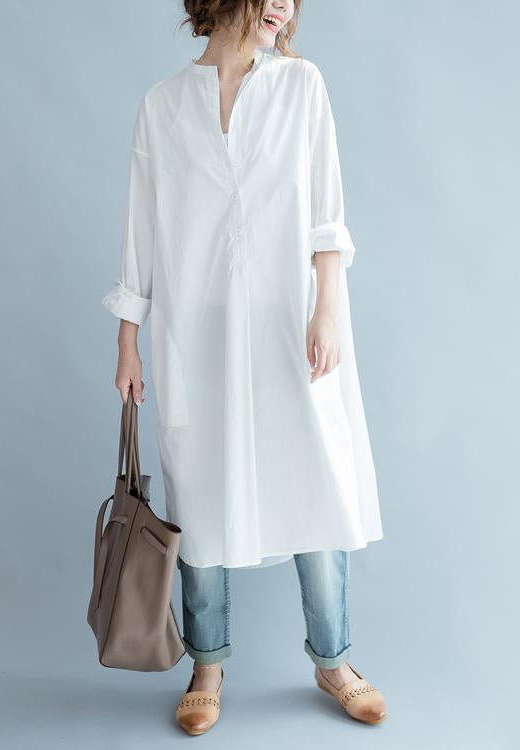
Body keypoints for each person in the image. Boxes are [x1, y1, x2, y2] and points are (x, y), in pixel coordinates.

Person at [101, 0, 386, 735]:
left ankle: (333, 660)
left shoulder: (301, 85)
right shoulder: (163, 106)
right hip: (195, 333)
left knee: (316, 477)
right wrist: (129, 339)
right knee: (198, 493)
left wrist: (326, 309)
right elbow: (141, 227)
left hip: (291, 322)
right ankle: (207, 664)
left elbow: (325, 207)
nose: (284, 6)